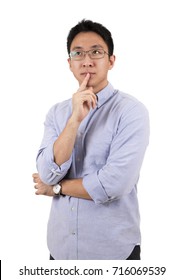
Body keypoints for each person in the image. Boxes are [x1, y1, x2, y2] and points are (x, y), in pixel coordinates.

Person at [33, 19, 150, 260]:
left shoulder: (131, 111)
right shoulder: (58, 113)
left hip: (113, 253)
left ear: (111, 60)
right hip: (60, 250)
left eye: (96, 52)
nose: (87, 61)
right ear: (70, 63)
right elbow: (46, 172)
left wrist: (56, 188)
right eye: (78, 53)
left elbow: (114, 183)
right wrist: (74, 120)